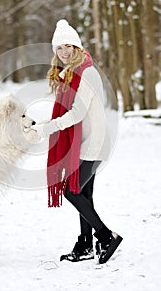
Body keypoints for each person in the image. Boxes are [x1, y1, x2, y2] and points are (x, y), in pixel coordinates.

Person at [32, 19, 122, 264]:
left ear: (77, 47)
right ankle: (86, 245)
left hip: (93, 144)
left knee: (71, 192)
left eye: (68, 47)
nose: (64, 52)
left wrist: (47, 128)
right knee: (84, 194)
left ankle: (105, 236)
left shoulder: (88, 73)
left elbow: (77, 113)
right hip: (82, 144)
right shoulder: (69, 74)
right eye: (59, 48)